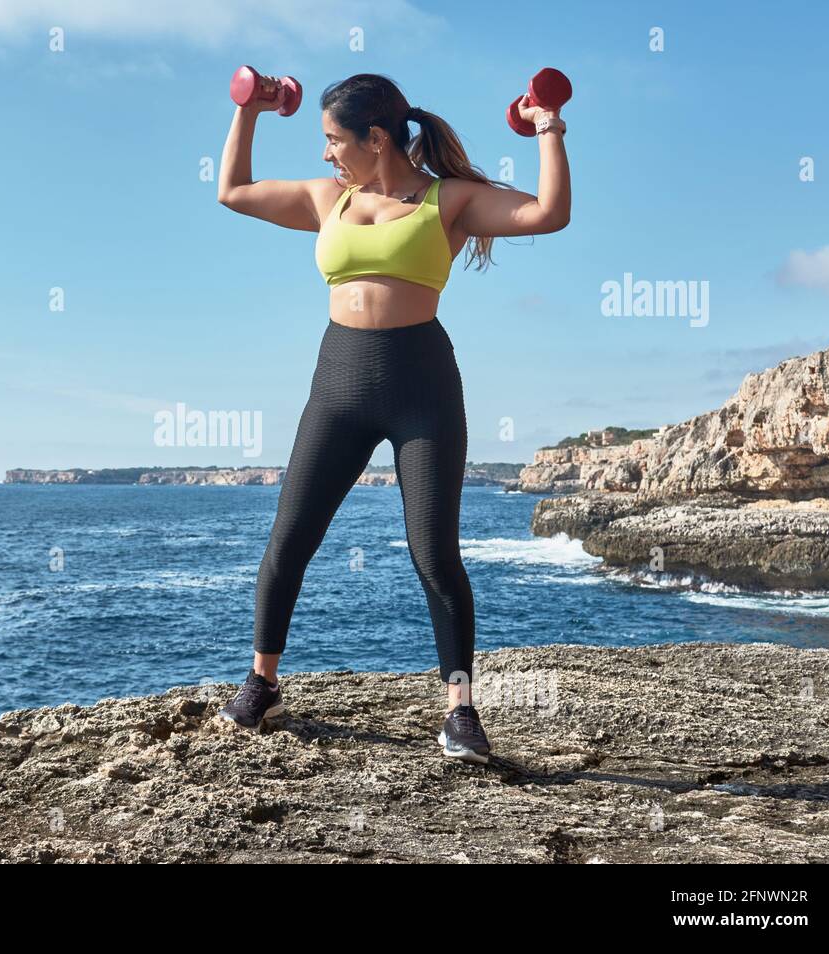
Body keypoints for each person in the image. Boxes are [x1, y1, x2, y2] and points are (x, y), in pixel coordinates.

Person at [213, 73, 570, 763]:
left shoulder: (449, 199)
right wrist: (248, 111)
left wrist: (547, 125)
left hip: (423, 389)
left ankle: (459, 713)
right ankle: (262, 682)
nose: (325, 155)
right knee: (290, 540)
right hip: (338, 387)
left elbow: (547, 213)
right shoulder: (328, 199)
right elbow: (233, 191)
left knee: (434, 554)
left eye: (333, 140)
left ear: (376, 138)